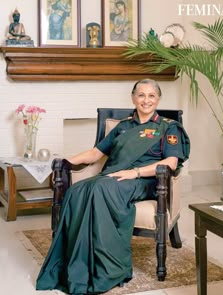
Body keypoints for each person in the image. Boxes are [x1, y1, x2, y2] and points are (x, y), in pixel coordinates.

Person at [36, 79, 190, 294]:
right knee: (76, 191)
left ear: (158, 99)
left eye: (151, 96)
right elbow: (96, 153)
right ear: (133, 98)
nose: (146, 100)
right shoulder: (123, 126)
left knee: (101, 189)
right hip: (113, 176)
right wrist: (66, 162)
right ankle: (76, 266)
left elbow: (171, 163)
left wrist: (134, 172)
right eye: (141, 95)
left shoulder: (168, 127)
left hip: (145, 180)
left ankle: (108, 269)